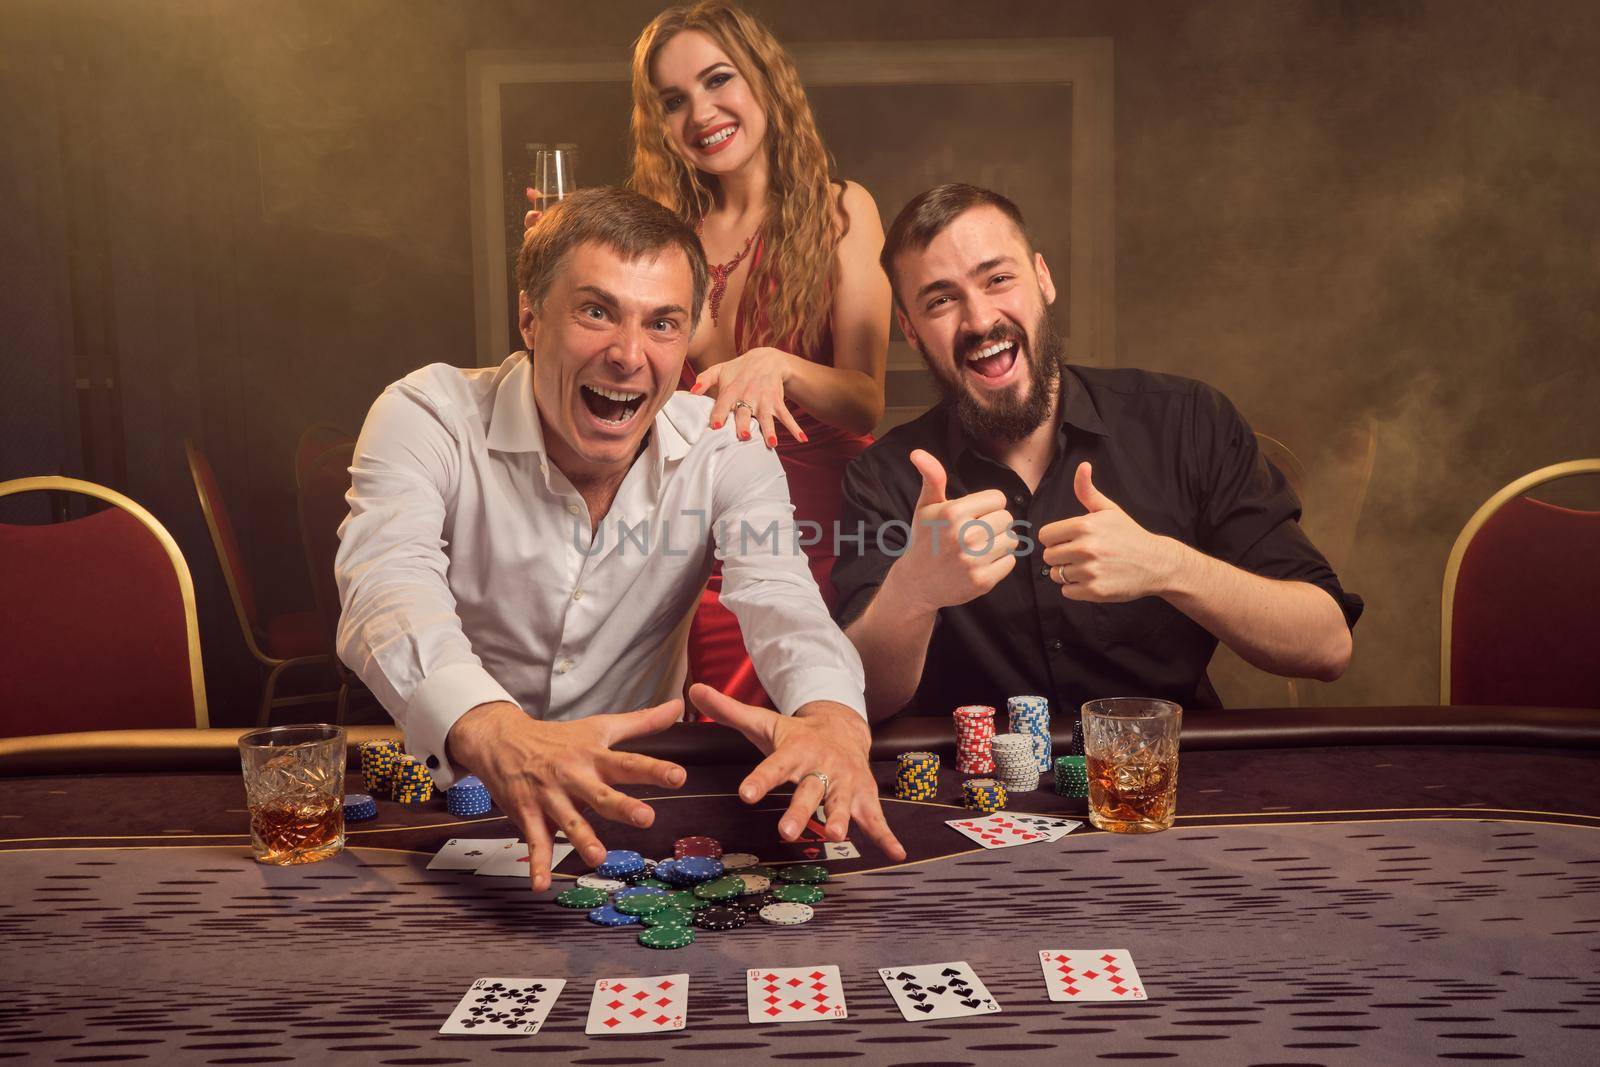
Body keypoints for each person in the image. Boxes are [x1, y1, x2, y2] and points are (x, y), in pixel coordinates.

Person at [336, 187, 904, 890]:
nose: (628, 355)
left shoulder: (726, 448)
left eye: (663, 323)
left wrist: (831, 716)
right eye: (596, 311)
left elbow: (782, 599)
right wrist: (495, 731)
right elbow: (386, 586)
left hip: (637, 814)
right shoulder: (426, 414)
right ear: (530, 317)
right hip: (459, 795)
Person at [834, 184, 1362, 720]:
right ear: (911, 331)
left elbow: (1326, 646)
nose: (979, 320)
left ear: (1043, 279)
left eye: (998, 279)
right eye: (941, 300)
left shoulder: (1186, 420)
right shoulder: (884, 478)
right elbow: (861, 699)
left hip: (1169, 786)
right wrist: (913, 592)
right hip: (974, 795)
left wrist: (1167, 566)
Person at [527, 1, 891, 710]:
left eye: (718, 80)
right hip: (693, 525)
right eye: (674, 100)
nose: (700, 113)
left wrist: (778, 363)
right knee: (699, 738)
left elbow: (865, 398)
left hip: (819, 526)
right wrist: (566, 275)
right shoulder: (664, 231)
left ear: (766, 80)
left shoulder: (843, 209)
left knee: (807, 715)